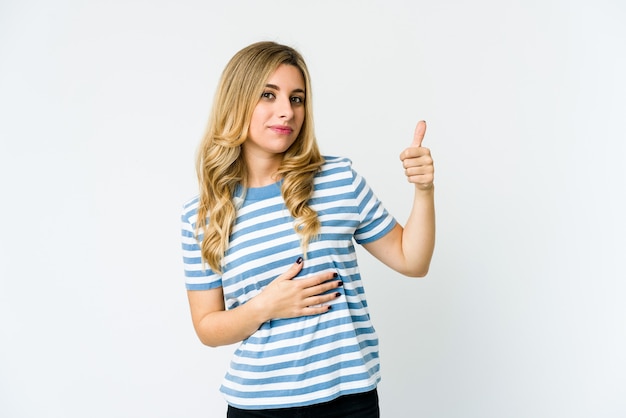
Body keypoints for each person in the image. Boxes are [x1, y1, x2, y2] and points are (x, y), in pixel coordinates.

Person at [181, 41, 435, 418]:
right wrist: (266, 306)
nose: (287, 111)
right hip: (258, 408)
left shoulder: (338, 181)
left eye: (297, 99)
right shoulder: (203, 215)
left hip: (349, 403)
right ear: (237, 101)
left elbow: (412, 260)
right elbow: (207, 327)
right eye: (269, 95)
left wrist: (424, 190)